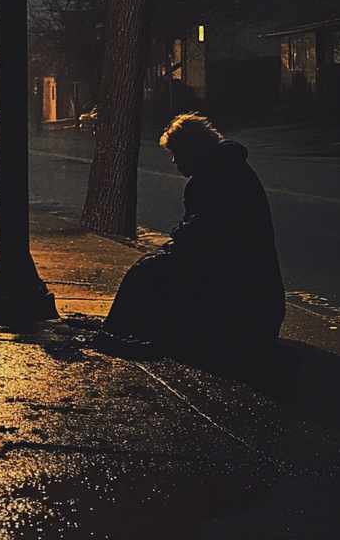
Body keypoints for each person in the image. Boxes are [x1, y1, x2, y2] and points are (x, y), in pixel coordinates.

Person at [98, 113, 285, 372]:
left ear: (191, 147)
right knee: (154, 266)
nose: (174, 161)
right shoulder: (226, 168)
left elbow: (205, 234)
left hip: (242, 301)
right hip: (256, 300)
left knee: (151, 271)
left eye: (176, 153)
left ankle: (124, 332)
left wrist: (175, 244)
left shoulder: (214, 176)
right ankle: (122, 327)